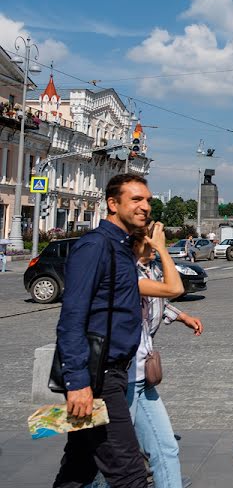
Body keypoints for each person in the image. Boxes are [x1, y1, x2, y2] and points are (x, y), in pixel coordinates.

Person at [53, 174, 152, 488]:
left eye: (148, 200)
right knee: (131, 473)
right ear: (113, 203)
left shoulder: (122, 247)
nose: (145, 206)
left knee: (78, 469)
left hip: (113, 373)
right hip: (99, 379)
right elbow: (72, 318)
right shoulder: (96, 245)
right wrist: (78, 382)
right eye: (136, 199)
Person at [93, 221, 202, 488]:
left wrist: (182, 316)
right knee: (117, 458)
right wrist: (163, 249)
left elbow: (160, 303)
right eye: (151, 242)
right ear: (138, 244)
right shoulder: (126, 274)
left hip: (141, 376)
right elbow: (173, 289)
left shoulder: (145, 271)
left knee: (165, 448)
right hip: (122, 378)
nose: (155, 246)